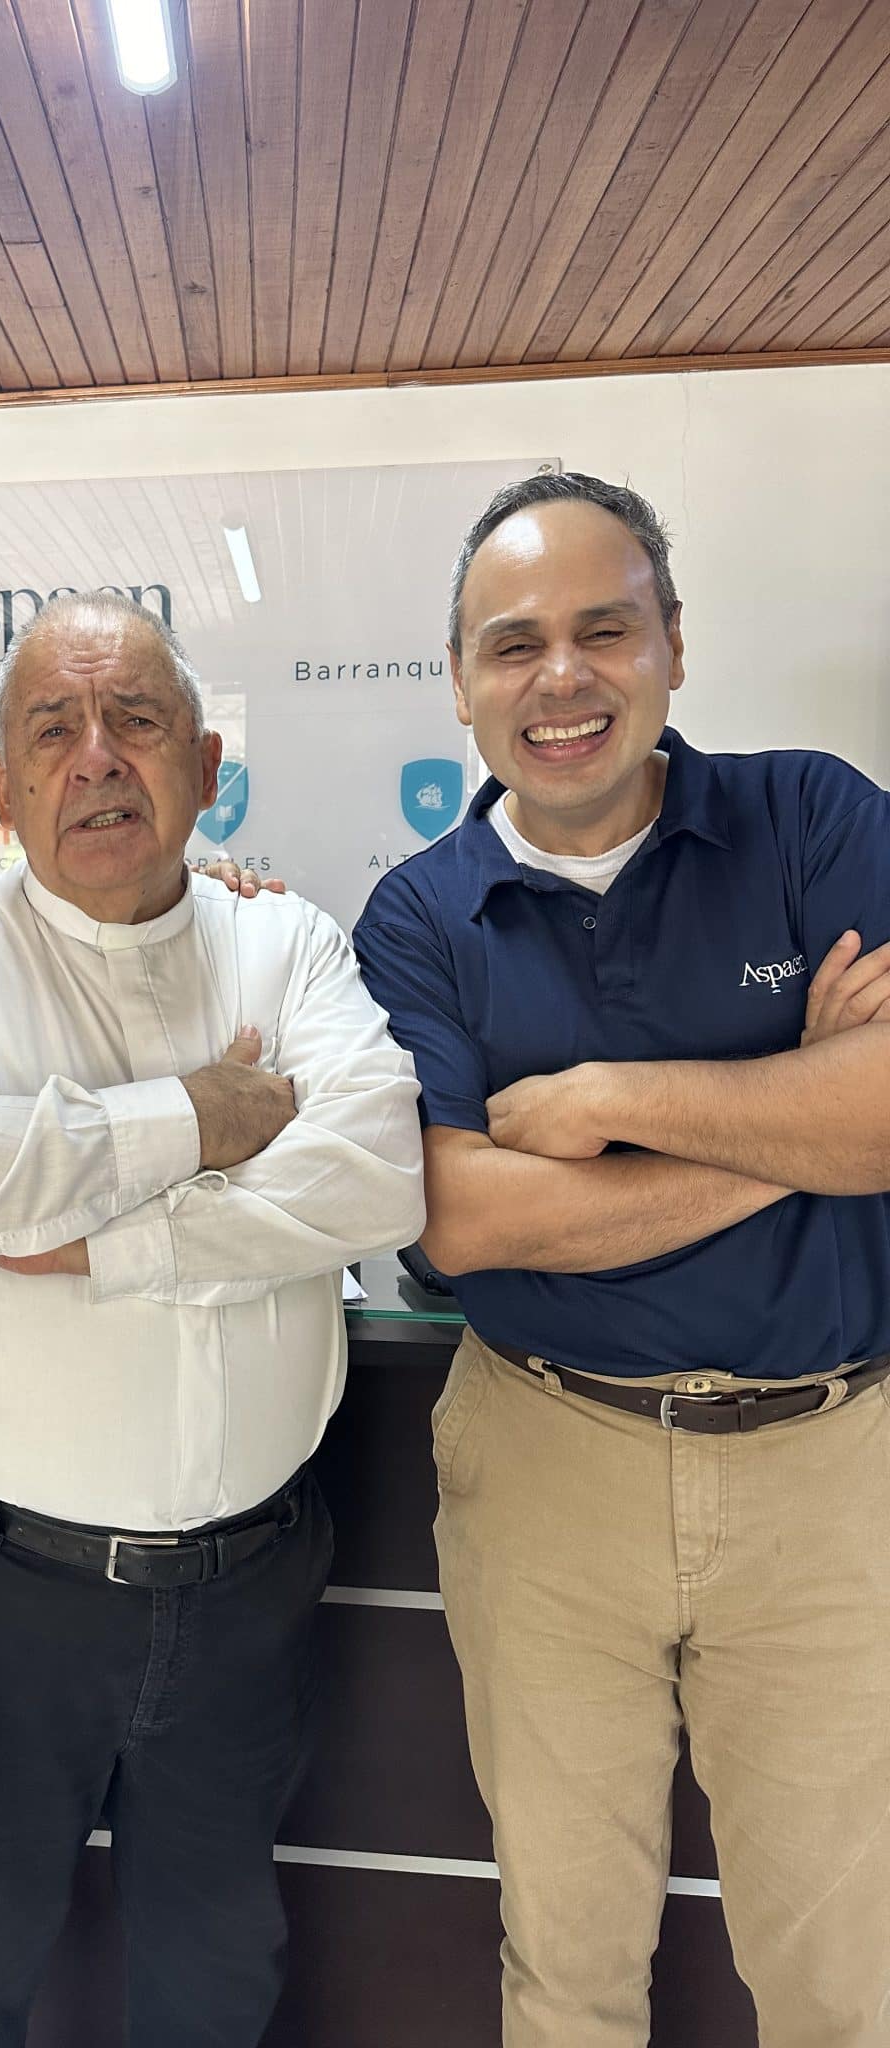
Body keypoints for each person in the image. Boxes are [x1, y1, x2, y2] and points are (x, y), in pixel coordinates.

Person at [0, 589, 425, 2048]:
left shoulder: (286, 945)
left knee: (216, 1975)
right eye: (53, 730)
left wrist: (83, 1232)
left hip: (244, 1590)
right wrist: (197, 1122)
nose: (96, 756)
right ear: (3, 785)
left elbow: (377, 1175)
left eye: (136, 720)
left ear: (205, 767)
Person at [352, 471, 890, 2048]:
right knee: (567, 1962)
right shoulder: (417, 917)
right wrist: (796, 1113)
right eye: (514, 643)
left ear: (674, 645)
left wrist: (605, 1104)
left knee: (844, 1971)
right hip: (548, 1461)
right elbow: (465, 1222)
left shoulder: (815, 818)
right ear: (462, 681)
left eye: (605, 629)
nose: (562, 677)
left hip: (831, 1471)